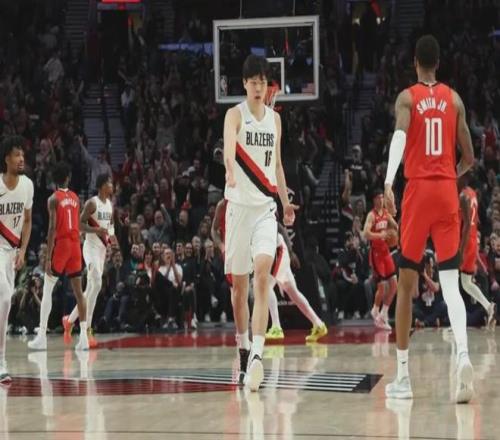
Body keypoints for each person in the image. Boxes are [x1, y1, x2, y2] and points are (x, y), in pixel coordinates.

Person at [383, 35, 475, 403]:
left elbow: (399, 138)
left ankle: (404, 378)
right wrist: (450, 174)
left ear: (415, 62)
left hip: (418, 191)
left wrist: (388, 181)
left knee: (406, 284)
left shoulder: (407, 98)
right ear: (438, 63)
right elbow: (470, 156)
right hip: (447, 190)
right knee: (451, 284)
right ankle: (463, 357)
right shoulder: (455, 100)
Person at [223, 54, 297, 391]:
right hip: (238, 209)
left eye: (263, 82)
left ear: (268, 85)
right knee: (239, 290)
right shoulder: (234, 115)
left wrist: (285, 202)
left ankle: (256, 355)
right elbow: (228, 149)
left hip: (265, 210)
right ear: (244, 84)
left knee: (263, 276)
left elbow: (277, 165)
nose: (258, 87)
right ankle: (243, 349)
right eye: (253, 81)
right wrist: (229, 169)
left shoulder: (275, 120)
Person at [28, 162, 89, 351]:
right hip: (76, 245)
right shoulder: (76, 197)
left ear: (54, 180)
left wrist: (48, 257)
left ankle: (41, 337)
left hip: (62, 245)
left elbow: (52, 227)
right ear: (68, 178)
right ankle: (84, 338)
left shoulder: (53, 199)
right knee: (79, 293)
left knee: (47, 289)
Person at [62, 174, 117, 347]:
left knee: (92, 288)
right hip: (90, 248)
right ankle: (87, 330)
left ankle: (69, 320)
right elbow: (79, 225)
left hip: (102, 250)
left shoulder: (110, 204)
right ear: (102, 186)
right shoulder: (92, 203)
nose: (112, 185)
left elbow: (111, 227)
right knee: (97, 283)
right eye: (109, 182)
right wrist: (96, 230)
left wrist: (113, 242)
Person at [0, 136, 34, 383]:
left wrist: (22, 251)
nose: (21, 159)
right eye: (16, 154)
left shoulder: (28, 185)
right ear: (6, 159)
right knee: (3, 297)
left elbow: (28, 220)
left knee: (6, 303)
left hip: (12, 252)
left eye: (23, 154)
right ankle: (1, 360)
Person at [265, 225, 328, 342]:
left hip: (277, 249)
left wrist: (290, 251)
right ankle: (318, 324)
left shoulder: (265, 214)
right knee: (293, 293)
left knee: (265, 286)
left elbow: (281, 229)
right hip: (274, 250)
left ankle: (276, 327)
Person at [458, 173, 496, 327]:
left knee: (454, 282)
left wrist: (460, 251)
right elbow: (476, 219)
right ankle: (488, 306)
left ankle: (456, 320)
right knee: (465, 283)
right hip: (473, 239)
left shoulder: (462, 196)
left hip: (465, 241)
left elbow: (466, 224)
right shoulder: (472, 193)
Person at [363, 189, 398, 330]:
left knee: (394, 285)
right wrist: (380, 235)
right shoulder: (371, 216)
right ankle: (375, 310)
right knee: (382, 288)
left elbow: (395, 226)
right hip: (376, 254)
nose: (381, 200)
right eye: (378, 197)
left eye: (382, 197)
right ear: (374, 200)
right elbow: (365, 234)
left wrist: (394, 232)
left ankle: (383, 313)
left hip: (386, 253)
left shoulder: (386, 214)